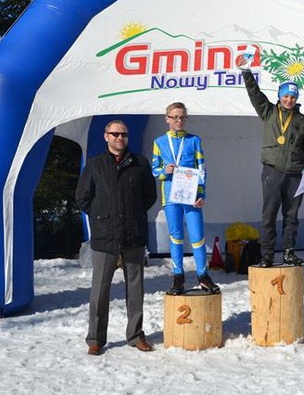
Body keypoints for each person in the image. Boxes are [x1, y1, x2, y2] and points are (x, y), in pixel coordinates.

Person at [76, 120, 157, 355]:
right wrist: (102, 216)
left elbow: (149, 196)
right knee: (99, 290)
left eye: (123, 134)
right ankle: (95, 338)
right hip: (105, 237)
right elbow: (82, 197)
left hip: (133, 235)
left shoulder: (140, 163)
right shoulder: (95, 165)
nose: (120, 138)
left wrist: (134, 213)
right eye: (115, 134)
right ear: (106, 137)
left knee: (135, 289)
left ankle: (136, 335)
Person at [240, 66, 304, 267]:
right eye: (286, 96)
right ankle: (266, 255)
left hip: (295, 173)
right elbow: (254, 93)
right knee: (269, 215)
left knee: (291, 216)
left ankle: (289, 252)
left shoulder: (302, 121)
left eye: (292, 97)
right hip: (272, 171)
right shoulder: (269, 112)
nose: (289, 100)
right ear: (280, 96)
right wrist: (246, 73)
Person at [151, 102, 220, 296]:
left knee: (197, 237)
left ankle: (203, 276)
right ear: (167, 119)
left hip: (191, 196)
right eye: (175, 117)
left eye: (182, 117)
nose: (179, 121)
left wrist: (201, 194)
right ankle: (178, 277)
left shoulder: (194, 140)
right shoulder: (159, 142)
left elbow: (202, 169)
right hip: (171, 197)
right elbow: (154, 170)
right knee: (176, 237)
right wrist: (165, 171)